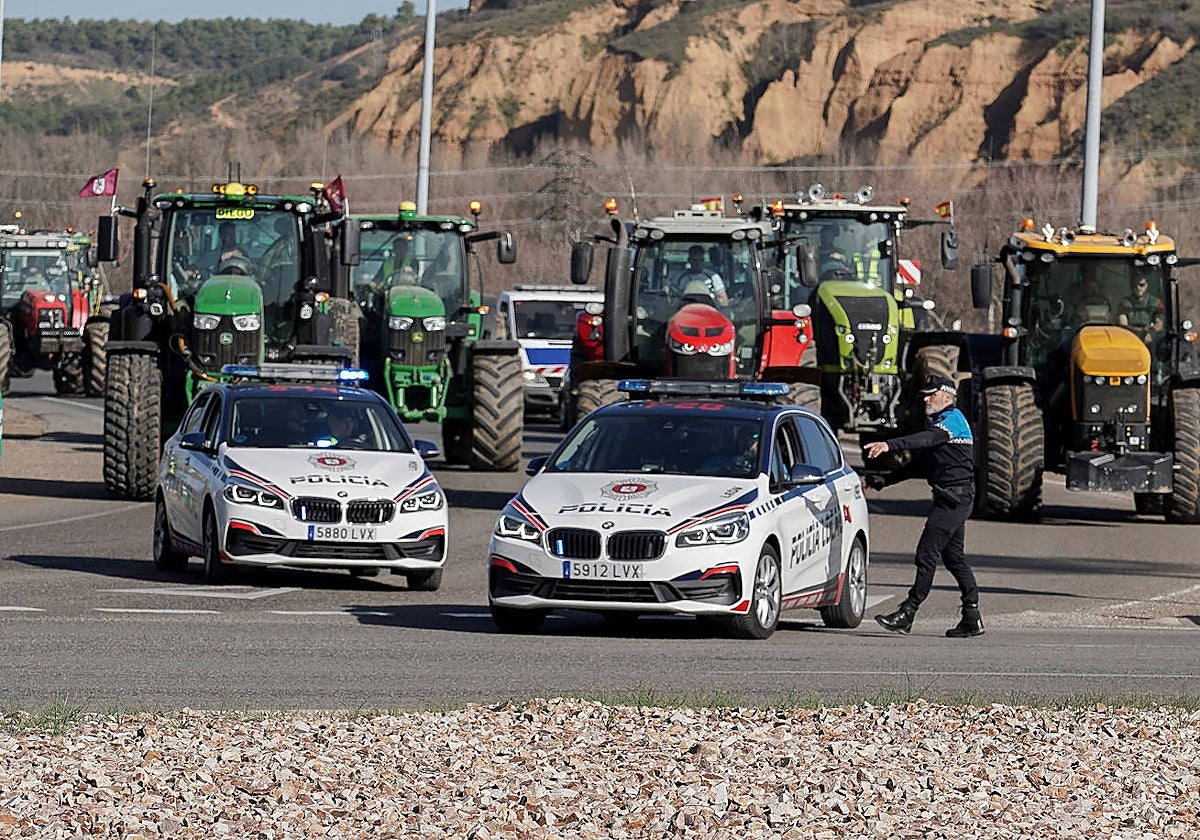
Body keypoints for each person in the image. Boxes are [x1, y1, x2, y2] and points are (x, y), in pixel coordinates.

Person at [862, 373, 983, 638]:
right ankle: (971, 617)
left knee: (926, 554)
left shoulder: (952, 421)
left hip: (954, 500)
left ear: (947, 396)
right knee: (953, 558)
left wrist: (887, 444)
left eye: (932, 394)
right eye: (925, 394)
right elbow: (921, 462)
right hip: (953, 499)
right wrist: (886, 480)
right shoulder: (942, 424)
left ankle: (907, 612)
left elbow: (923, 441)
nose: (926, 399)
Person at [1117, 272, 1164, 346]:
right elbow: (1123, 324)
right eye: (1134, 286)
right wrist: (1139, 332)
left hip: (1152, 337)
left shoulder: (1156, 302)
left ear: (1146, 285)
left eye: (1141, 285)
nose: (1138, 288)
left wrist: (1151, 332)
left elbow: (1160, 323)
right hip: (1131, 336)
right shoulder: (1124, 303)